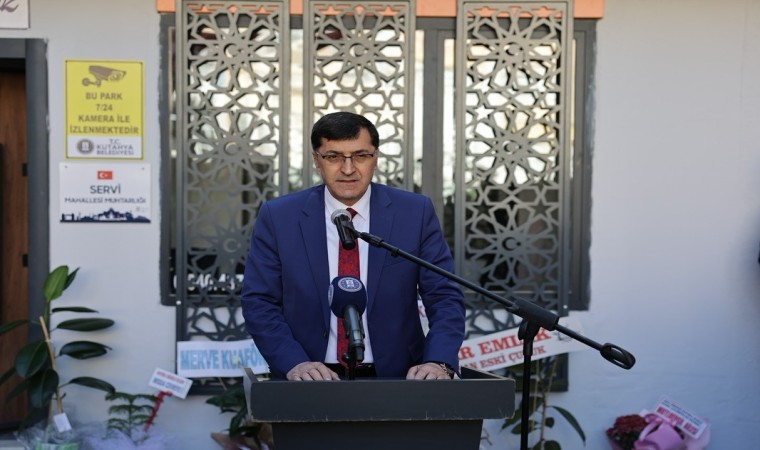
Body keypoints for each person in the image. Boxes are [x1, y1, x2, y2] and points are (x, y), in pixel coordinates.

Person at [241, 111, 465, 381]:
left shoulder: (414, 213)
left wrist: (439, 361)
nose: (348, 169)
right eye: (333, 157)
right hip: (308, 379)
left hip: (398, 379)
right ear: (316, 160)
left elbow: (444, 297)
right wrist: (293, 363)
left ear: (375, 158)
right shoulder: (279, 217)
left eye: (360, 155)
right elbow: (259, 302)